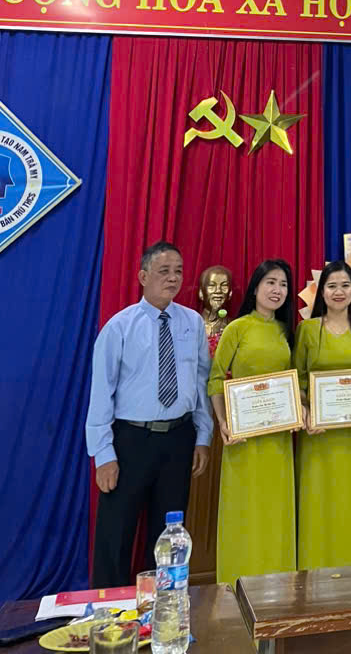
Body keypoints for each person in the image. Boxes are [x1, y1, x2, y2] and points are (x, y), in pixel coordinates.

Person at [86, 241, 212, 587]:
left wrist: (203, 436)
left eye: (178, 272)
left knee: (168, 533)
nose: (173, 278)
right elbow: (101, 393)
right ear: (143, 276)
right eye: (164, 271)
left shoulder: (192, 324)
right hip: (131, 439)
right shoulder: (120, 327)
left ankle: (162, 603)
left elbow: (201, 382)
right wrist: (103, 454)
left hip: (179, 438)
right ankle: (109, 610)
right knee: (116, 532)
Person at [208, 259, 297, 584]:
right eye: (271, 282)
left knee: (275, 511)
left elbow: (294, 380)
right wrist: (223, 422)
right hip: (243, 440)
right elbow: (216, 378)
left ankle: (279, 583)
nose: (277, 290)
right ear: (256, 287)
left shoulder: (286, 331)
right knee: (244, 511)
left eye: (283, 284)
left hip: (278, 440)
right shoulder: (238, 328)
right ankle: (236, 582)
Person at [294, 260, 351, 569]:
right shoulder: (306, 330)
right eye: (332, 286)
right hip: (318, 437)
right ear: (322, 292)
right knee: (319, 505)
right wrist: (307, 411)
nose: (339, 292)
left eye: (345, 285)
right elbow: (298, 380)